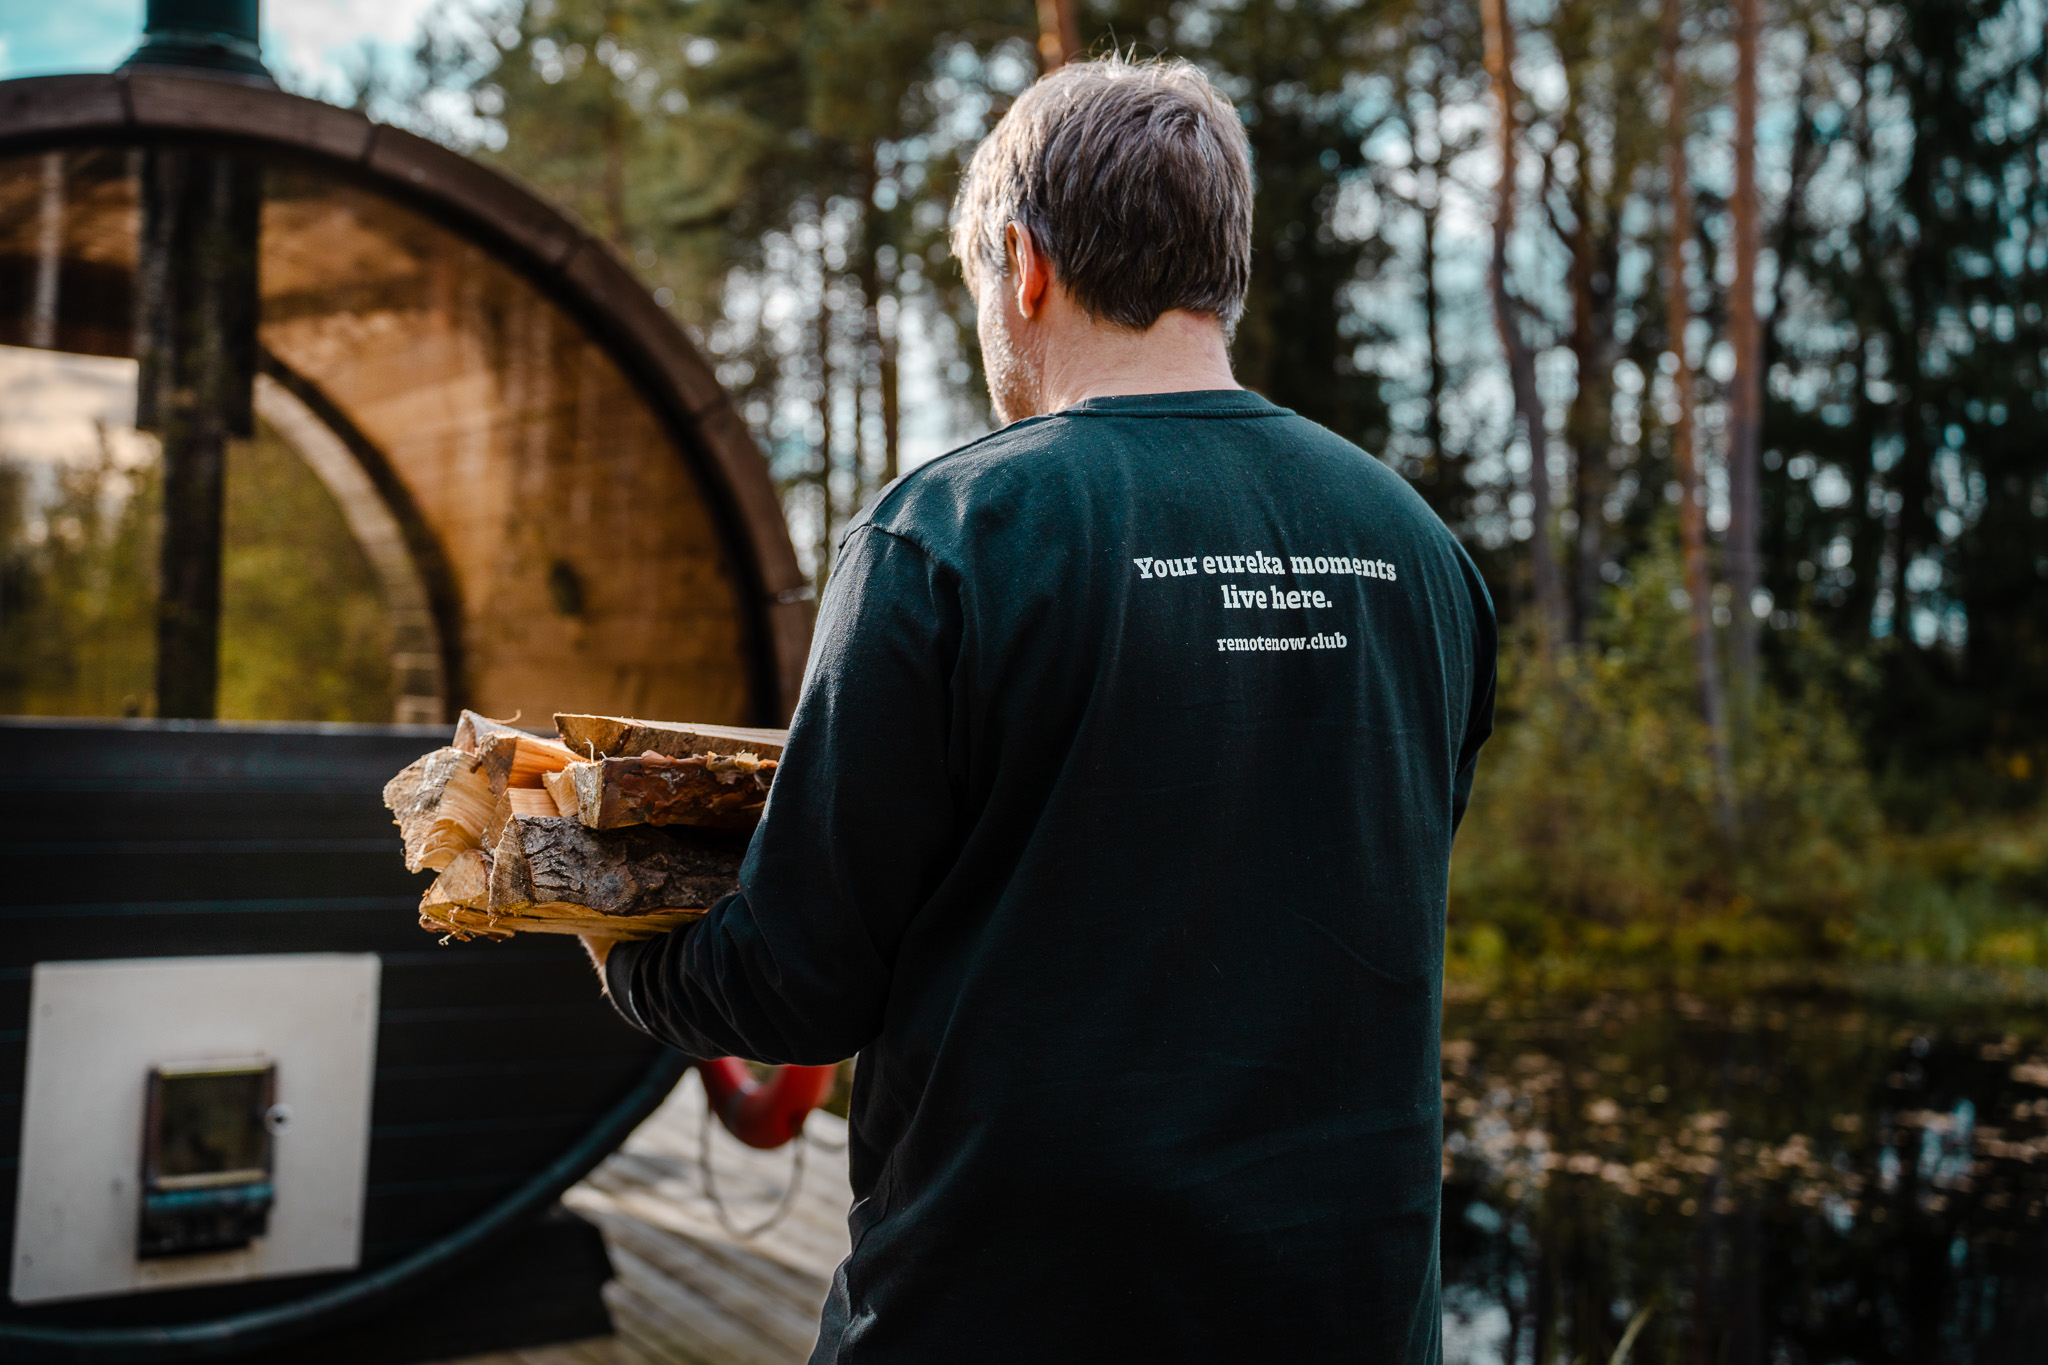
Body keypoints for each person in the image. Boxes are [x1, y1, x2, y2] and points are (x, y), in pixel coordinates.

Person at [584, 54, 1496, 1364]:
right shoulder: (1420, 552)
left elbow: (793, 988)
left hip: (1003, 1317)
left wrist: (608, 931)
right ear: (1222, 267)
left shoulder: (946, 535)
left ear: (1024, 264)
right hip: (1350, 1318)